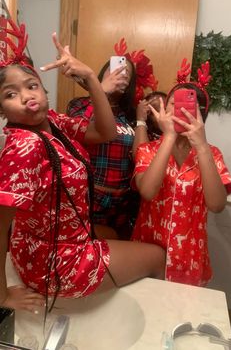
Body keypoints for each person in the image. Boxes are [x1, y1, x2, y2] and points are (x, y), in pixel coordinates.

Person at [0, 20, 165, 314]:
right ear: (1, 109)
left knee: (114, 237)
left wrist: (89, 75)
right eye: (10, 94)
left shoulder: (53, 123)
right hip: (55, 262)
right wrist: (2, 296)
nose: (26, 97)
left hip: (54, 243)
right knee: (156, 256)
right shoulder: (25, 145)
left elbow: (106, 132)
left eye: (32, 85)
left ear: (44, 89)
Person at [131, 60, 231, 287]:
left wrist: (202, 146)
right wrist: (168, 136)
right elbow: (147, 191)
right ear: (163, 110)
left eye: (188, 106)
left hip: (189, 257)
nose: (178, 111)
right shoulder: (147, 149)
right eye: (172, 104)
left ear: (201, 116)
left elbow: (216, 205)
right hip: (148, 252)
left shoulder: (211, 153)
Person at [67, 54, 139, 240]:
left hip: (122, 203)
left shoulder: (130, 115)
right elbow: (75, 132)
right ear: (101, 74)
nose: (119, 73)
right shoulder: (79, 104)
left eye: (125, 72)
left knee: (114, 257)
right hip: (90, 197)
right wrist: (101, 92)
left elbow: (141, 155)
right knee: (87, 253)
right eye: (113, 67)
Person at [133, 91, 167, 156]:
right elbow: (141, 157)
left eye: (165, 108)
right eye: (153, 111)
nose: (163, 113)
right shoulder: (140, 132)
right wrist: (141, 120)